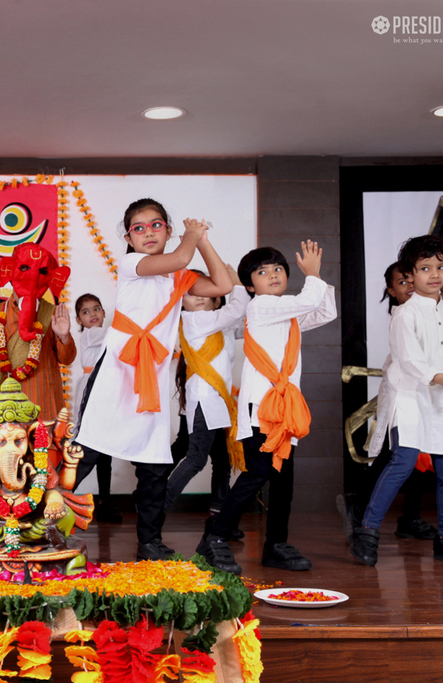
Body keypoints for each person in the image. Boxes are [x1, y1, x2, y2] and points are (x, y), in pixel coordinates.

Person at [73, 198, 232, 561]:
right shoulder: (132, 264)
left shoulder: (180, 276)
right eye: (138, 227)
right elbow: (178, 257)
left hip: (153, 378)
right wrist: (189, 239)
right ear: (129, 237)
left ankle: (149, 540)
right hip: (117, 371)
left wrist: (202, 239)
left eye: (156, 225)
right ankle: (35, 522)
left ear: (168, 230)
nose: (148, 232)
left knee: (155, 464)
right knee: (87, 452)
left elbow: (222, 285)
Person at [196, 242, 336, 575]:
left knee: (283, 481)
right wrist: (313, 276)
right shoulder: (262, 307)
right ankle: (214, 537)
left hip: (284, 411)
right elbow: (308, 300)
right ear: (250, 286)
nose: (272, 275)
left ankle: (275, 544)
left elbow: (324, 311)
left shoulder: (287, 314)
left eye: (277, 269)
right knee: (257, 473)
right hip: (260, 409)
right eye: (262, 272)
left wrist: (319, 280)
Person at [351, 236, 443, 566]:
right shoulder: (404, 314)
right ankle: (367, 532)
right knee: (403, 462)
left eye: (441, 267)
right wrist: (441, 377)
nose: (434, 275)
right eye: (425, 268)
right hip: (411, 397)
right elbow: (409, 359)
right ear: (411, 273)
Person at [338, 261, 443, 542]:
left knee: (419, 451)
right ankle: (363, 508)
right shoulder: (404, 313)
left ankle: (409, 517)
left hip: (429, 385)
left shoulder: (434, 308)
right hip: (404, 386)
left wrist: (435, 268)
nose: (411, 286)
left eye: (413, 279)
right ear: (391, 291)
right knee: (399, 453)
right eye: (402, 283)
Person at [164, 265, 249, 517]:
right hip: (204, 400)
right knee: (196, 459)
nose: (199, 297)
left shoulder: (220, 324)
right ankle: (157, 508)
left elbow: (245, 321)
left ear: (217, 296)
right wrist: (238, 283)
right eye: (191, 292)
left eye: (205, 290)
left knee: (221, 462)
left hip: (219, 402)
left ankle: (219, 516)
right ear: (181, 300)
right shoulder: (195, 320)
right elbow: (236, 310)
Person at [0, 242, 76, 425]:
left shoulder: (52, 313)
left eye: (42, 272)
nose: (32, 277)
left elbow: (67, 359)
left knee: (44, 453)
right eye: (24, 268)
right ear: (10, 271)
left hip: (44, 402)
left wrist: (64, 336)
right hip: (4, 404)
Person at [71, 293, 121, 524]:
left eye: (96, 309)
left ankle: (104, 501)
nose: (92, 314)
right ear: (79, 321)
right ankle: (63, 493)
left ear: (103, 312)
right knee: (88, 449)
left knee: (105, 451)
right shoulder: (95, 334)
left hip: (105, 390)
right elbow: (120, 337)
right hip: (92, 391)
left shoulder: (105, 335)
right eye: (85, 311)